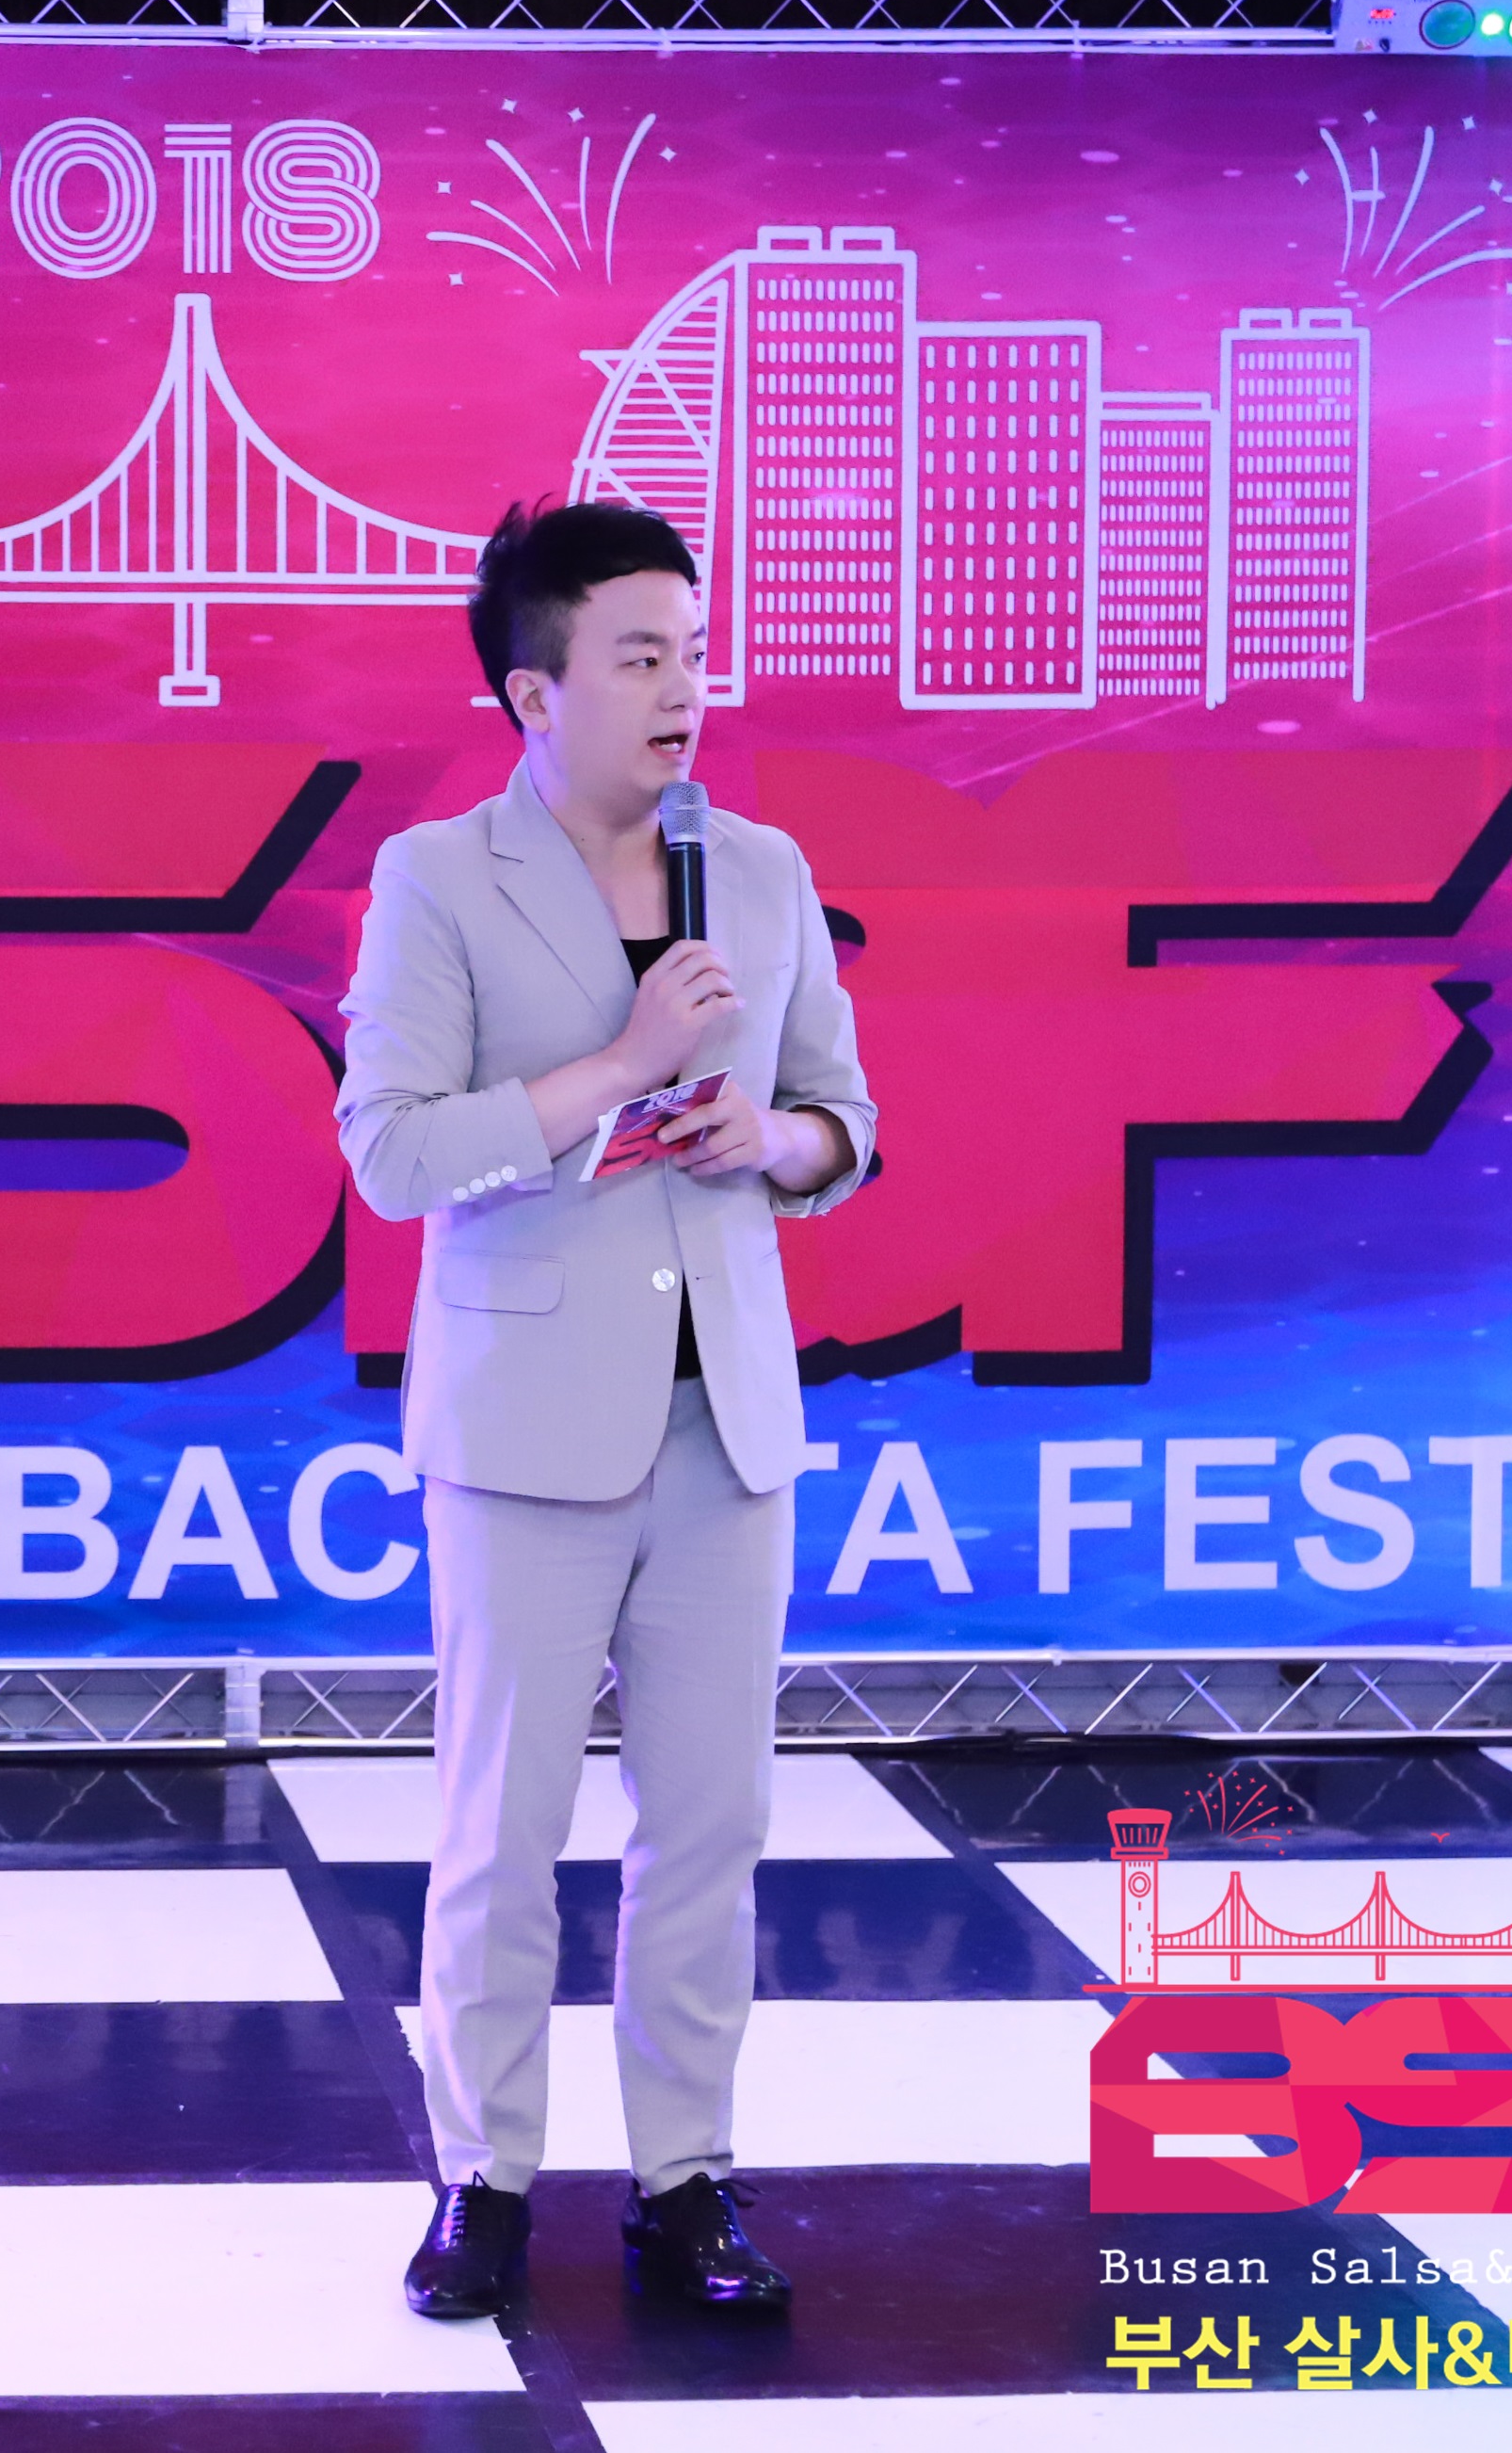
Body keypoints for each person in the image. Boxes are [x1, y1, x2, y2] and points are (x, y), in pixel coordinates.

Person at [333, 499, 877, 2319]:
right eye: (639, 657)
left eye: (693, 653)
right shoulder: (438, 876)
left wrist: (769, 1136)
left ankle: (685, 2177)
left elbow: (846, 1122)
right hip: (524, 1429)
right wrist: (622, 1070)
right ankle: (483, 2178)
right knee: (502, 1830)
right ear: (532, 690)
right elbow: (393, 1152)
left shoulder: (765, 870)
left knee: (711, 1825)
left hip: (729, 1424)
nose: (681, 691)